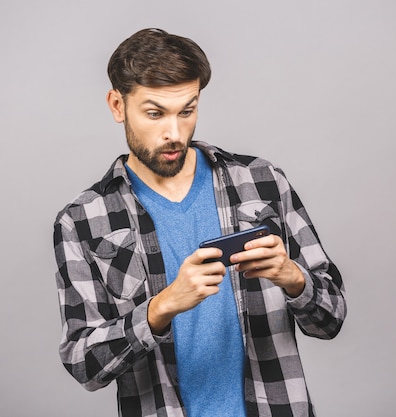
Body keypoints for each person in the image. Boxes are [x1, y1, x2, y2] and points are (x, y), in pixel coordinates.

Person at [53, 28, 346, 417]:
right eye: (154, 113)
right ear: (117, 105)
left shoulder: (261, 182)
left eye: (187, 110)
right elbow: (83, 363)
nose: (174, 133)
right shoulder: (82, 220)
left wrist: (292, 277)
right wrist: (161, 308)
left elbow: (331, 318)